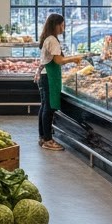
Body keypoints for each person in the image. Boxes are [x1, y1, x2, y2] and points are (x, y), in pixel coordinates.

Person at [34, 13, 84, 151]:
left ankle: (43, 137)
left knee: (44, 107)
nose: (63, 27)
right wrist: (74, 59)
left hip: (46, 76)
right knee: (48, 109)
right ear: (55, 25)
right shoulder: (53, 40)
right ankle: (48, 140)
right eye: (62, 25)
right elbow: (58, 61)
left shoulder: (47, 38)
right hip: (49, 77)